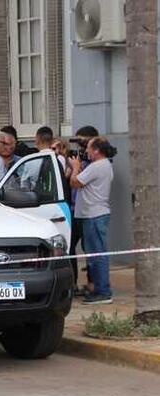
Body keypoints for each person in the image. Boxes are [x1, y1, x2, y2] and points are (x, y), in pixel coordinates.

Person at [70, 136, 116, 305]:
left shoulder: (97, 166)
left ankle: (103, 291)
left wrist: (75, 167)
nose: (86, 151)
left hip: (93, 215)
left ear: (97, 150)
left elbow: (75, 182)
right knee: (95, 255)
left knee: (97, 255)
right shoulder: (104, 165)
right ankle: (99, 288)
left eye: (89, 148)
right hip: (93, 215)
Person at [69, 125, 100, 294]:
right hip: (75, 209)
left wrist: (77, 167)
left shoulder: (98, 161)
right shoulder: (79, 158)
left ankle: (93, 284)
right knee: (69, 246)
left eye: (84, 142)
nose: (81, 146)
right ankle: (71, 283)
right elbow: (69, 179)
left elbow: (78, 181)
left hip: (89, 212)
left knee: (91, 249)